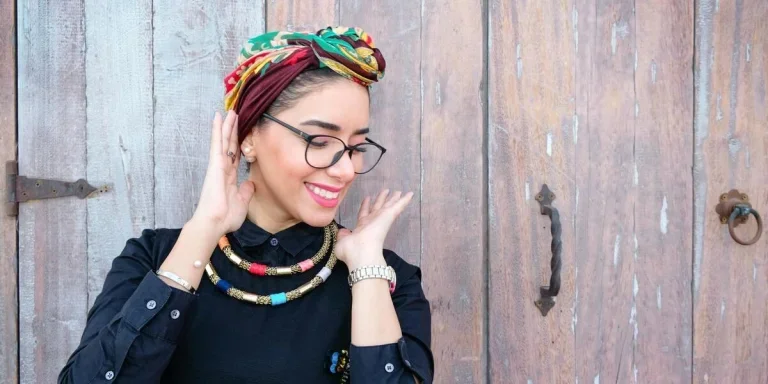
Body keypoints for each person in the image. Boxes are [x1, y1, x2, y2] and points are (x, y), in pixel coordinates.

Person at [58, 26, 433, 383]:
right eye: (320, 142)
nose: (347, 170)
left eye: (356, 147)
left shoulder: (389, 280)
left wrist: (367, 270)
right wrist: (203, 231)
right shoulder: (152, 259)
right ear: (249, 137)